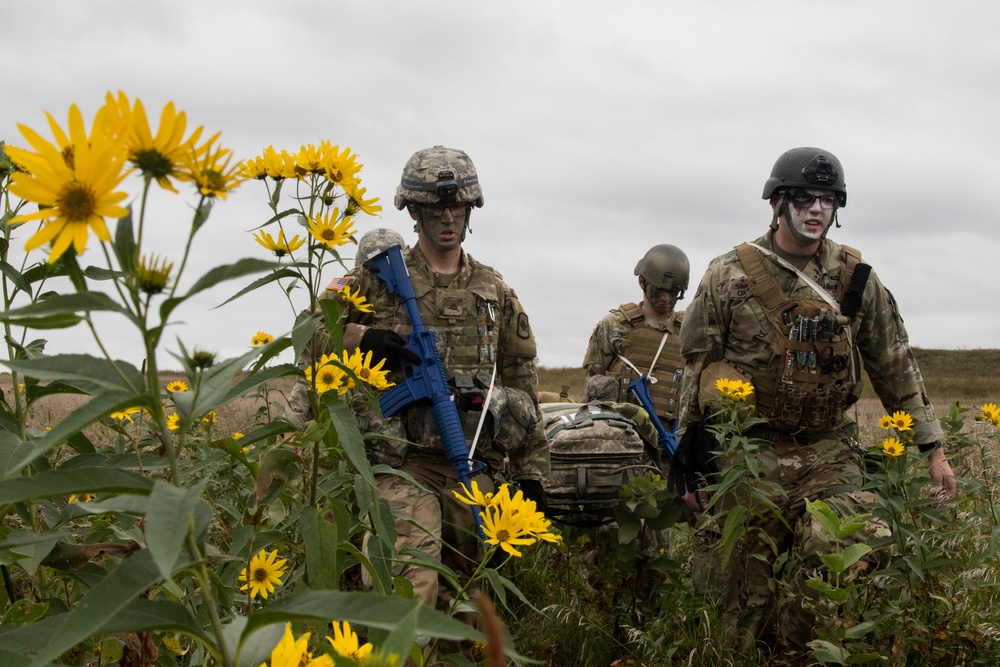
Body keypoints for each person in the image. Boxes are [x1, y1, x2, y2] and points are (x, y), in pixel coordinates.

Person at [672, 146, 957, 654]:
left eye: (827, 200)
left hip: (829, 449)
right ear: (777, 203)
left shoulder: (857, 281)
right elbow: (695, 370)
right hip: (749, 450)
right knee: (742, 591)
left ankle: (799, 653)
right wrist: (690, 462)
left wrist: (932, 450)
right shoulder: (727, 275)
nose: (816, 209)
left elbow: (894, 366)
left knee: (839, 543)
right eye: (803, 198)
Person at [294, 146, 549, 616]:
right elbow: (308, 340)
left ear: (471, 209)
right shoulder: (376, 280)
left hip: (473, 467)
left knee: (466, 610)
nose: (448, 216)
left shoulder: (495, 292)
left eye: (457, 206)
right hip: (401, 465)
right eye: (436, 207)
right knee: (407, 596)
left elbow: (521, 383)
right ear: (414, 210)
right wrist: (360, 335)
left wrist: (531, 473)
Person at [582, 244, 689, 427]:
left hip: (672, 439)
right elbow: (593, 386)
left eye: (672, 293)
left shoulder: (688, 330)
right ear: (642, 282)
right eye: (658, 291)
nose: (665, 298)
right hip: (620, 434)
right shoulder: (613, 326)